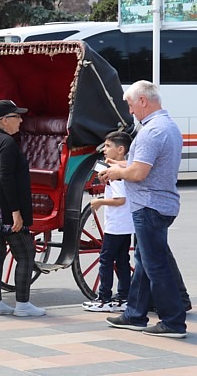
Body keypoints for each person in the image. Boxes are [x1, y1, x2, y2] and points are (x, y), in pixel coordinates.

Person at [99, 80, 187, 338]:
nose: (130, 111)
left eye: (130, 105)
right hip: (158, 203)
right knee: (145, 261)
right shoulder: (166, 125)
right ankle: (135, 314)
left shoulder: (151, 131)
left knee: (155, 264)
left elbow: (138, 173)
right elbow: (145, 164)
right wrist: (122, 164)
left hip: (150, 205)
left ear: (143, 101)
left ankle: (173, 321)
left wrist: (117, 171)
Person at [0, 100, 45, 317]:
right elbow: (6, 178)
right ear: (4, 120)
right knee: (26, 253)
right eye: (17, 117)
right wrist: (16, 212)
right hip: (2, 209)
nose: (21, 120)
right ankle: (23, 304)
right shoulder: (7, 143)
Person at [82, 131, 133, 313]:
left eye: (108, 146)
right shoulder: (121, 169)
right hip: (124, 225)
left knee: (106, 260)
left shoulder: (115, 174)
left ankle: (104, 298)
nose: (104, 149)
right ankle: (124, 297)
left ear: (120, 150)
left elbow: (120, 200)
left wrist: (100, 201)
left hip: (117, 225)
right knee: (122, 260)